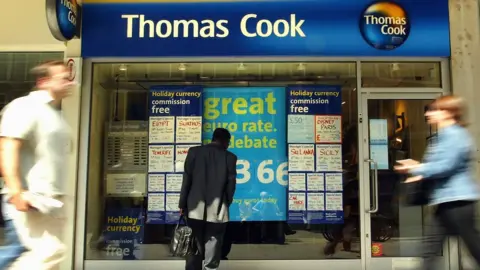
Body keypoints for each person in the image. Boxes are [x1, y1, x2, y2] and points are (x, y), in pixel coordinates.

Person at [0, 60, 75, 269]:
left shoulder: (54, 114)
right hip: (33, 200)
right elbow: (8, 147)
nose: (71, 82)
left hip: (50, 202)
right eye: (64, 78)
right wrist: (16, 191)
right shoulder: (25, 107)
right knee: (45, 254)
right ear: (44, 81)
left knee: (51, 255)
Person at [394, 95, 480, 270]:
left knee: (474, 246)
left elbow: (446, 165)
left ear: (449, 113)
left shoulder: (455, 135)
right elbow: (440, 165)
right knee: (429, 251)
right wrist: (420, 170)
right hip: (445, 201)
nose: (429, 114)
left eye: (435, 110)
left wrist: (416, 168)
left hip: (457, 202)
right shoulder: (443, 136)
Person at [179, 128, 237, 270]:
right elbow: (231, 185)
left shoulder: (194, 152)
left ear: (213, 138)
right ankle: (210, 267)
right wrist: (226, 201)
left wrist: (182, 203)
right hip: (218, 208)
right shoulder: (230, 157)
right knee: (214, 241)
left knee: (194, 242)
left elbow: (186, 180)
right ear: (226, 141)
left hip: (194, 207)